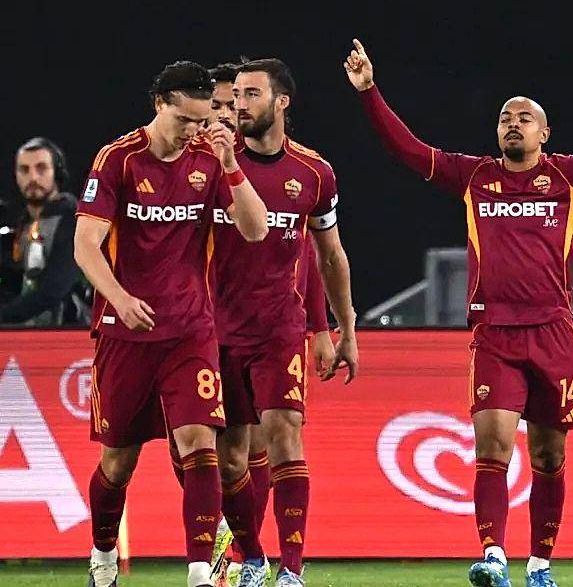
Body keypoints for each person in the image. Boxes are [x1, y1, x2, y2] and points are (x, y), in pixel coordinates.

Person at [345, 36, 573, 587]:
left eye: (524, 119)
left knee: (549, 455)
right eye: (505, 119)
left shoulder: (570, 177)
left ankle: (540, 564)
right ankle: (493, 555)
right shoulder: (474, 177)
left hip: (553, 333)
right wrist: (369, 91)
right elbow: (408, 150)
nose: (513, 125)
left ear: (545, 133)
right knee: (491, 445)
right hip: (494, 333)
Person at [75, 60, 269, 587]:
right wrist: (119, 298)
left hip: (190, 330)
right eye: (184, 119)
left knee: (200, 446)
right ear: (159, 103)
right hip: (125, 334)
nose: (192, 131)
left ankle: (200, 572)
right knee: (118, 464)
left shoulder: (209, 158)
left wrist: (231, 164)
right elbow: (85, 245)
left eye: (200, 121)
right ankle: (103, 555)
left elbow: (255, 230)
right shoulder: (118, 159)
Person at [208, 58, 356, 587]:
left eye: (251, 94)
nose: (239, 105)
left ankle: (291, 570)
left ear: (281, 102)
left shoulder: (314, 173)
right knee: (232, 460)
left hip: (278, 329)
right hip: (215, 330)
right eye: (236, 96)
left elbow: (327, 256)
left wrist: (340, 329)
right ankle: (250, 557)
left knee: (285, 435)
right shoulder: (209, 164)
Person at [1, 137, 85, 325]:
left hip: (71, 333)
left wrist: (4, 317)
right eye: (24, 170)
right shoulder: (22, 223)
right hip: (27, 333)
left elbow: (54, 289)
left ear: (57, 172)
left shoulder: (74, 219)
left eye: (41, 168)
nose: (32, 178)